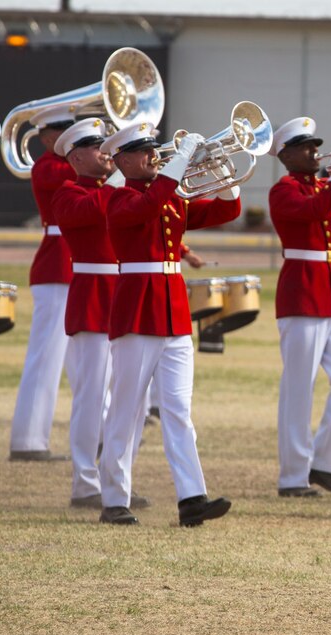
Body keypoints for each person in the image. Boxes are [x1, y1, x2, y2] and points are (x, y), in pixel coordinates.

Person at [97, 122, 240, 525]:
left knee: (178, 409)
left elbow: (228, 210)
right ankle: (113, 499)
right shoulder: (118, 199)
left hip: (174, 311)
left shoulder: (171, 195)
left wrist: (222, 169)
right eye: (143, 152)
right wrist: (179, 162)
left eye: (152, 150)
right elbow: (147, 206)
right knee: (127, 410)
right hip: (138, 308)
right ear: (123, 160)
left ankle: (192, 498)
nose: (152, 156)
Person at [51, 118, 151, 511]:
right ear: (76, 156)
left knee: (133, 398)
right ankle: (84, 482)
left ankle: (118, 478)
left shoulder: (123, 191)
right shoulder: (68, 192)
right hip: (93, 296)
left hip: (126, 294)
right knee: (91, 397)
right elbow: (92, 210)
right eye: (98, 146)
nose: (108, 150)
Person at [268, 117, 331, 498]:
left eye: (315, 145)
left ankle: (324, 463)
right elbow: (314, 211)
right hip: (301, 293)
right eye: (306, 147)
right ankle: (292, 476)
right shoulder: (283, 190)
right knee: (299, 387)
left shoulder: (325, 186)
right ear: (287, 154)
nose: (314, 151)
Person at [8, 106, 76, 462]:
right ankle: (29, 441)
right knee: (46, 356)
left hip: (78, 266)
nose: (71, 139)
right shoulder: (48, 167)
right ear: (47, 136)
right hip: (56, 266)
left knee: (89, 356)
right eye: (64, 133)